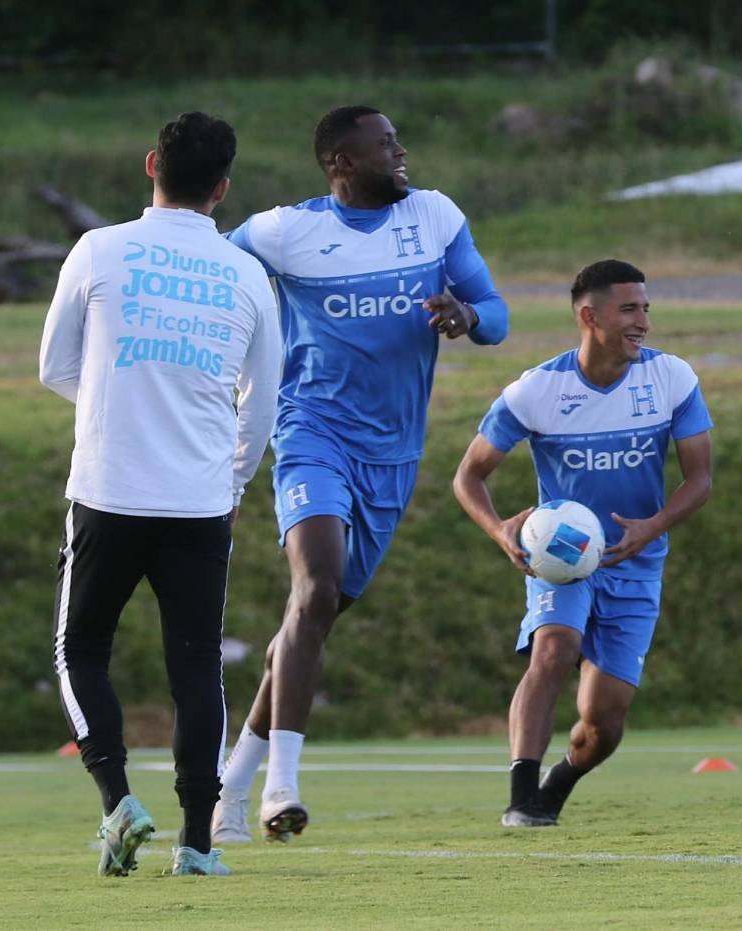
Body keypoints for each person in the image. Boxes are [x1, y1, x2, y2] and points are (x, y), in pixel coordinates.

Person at [211, 105, 508, 844]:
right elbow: (211, 270)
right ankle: (284, 783)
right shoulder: (284, 231)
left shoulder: (435, 218)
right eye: (385, 145)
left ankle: (231, 787)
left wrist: (465, 316)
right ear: (342, 163)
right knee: (311, 590)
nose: (402, 151)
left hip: (393, 456)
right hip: (311, 433)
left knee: (310, 621)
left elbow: (498, 316)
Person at [38, 112, 282, 876]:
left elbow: (54, 365)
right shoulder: (246, 273)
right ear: (224, 187)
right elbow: (264, 399)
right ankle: (197, 845)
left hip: (107, 492)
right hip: (201, 501)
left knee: (80, 649)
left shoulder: (98, 248)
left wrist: (116, 408)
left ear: (152, 165)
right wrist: (231, 473)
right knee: (195, 668)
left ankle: (117, 803)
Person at [453, 259, 712, 826]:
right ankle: (521, 795)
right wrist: (500, 530)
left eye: (646, 308)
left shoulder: (672, 379)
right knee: (553, 651)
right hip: (561, 560)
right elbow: (468, 477)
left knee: (603, 719)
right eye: (629, 309)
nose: (643, 321)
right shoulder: (537, 391)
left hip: (637, 562)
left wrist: (652, 526)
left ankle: (558, 783)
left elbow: (700, 480)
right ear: (589, 316)